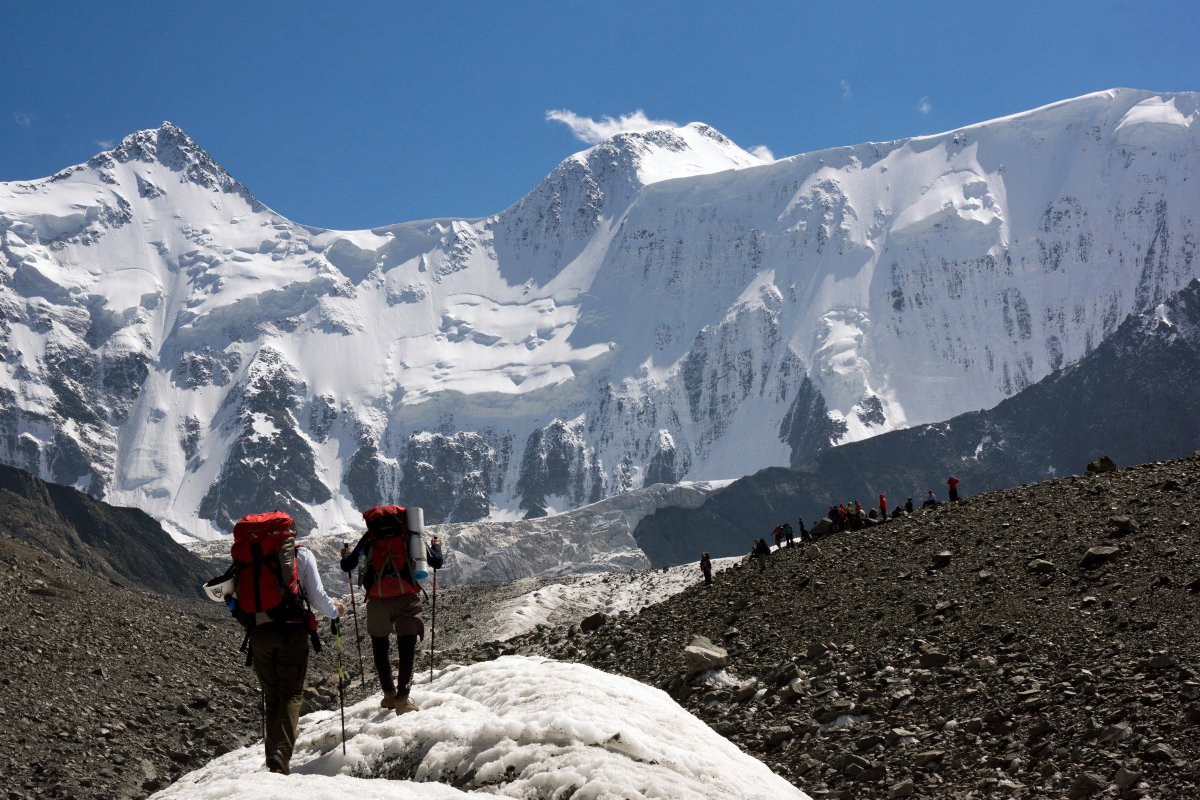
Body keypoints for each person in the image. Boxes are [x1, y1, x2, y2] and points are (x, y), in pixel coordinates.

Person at [246, 522, 344, 775]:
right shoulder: (301, 554)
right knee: (291, 694)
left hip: (259, 634)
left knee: (272, 696)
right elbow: (317, 596)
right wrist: (336, 612)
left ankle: (272, 757)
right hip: (291, 632)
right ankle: (280, 756)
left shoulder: (250, 554)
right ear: (292, 535)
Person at [340, 506, 444, 716]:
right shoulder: (409, 536)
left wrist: (347, 554)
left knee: (380, 646)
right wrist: (437, 546)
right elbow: (437, 562)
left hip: (378, 599)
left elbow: (347, 566)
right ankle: (403, 700)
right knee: (406, 647)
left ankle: (388, 695)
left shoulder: (370, 537)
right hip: (406, 597)